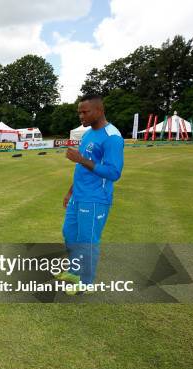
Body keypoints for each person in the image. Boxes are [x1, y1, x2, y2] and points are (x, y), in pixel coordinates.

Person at [59, 95, 124, 294]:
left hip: (96, 198)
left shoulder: (112, 137)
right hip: (78, 195)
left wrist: (80, 159)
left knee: (87, 240)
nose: (81, 115)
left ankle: (86, 283)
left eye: (85, 111)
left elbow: (114, 172)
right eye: (79, 111)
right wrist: (71, 191)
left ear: (99, 110)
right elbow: (82, 167)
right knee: (69, 234)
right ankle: (74, 271)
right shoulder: (87, 134)